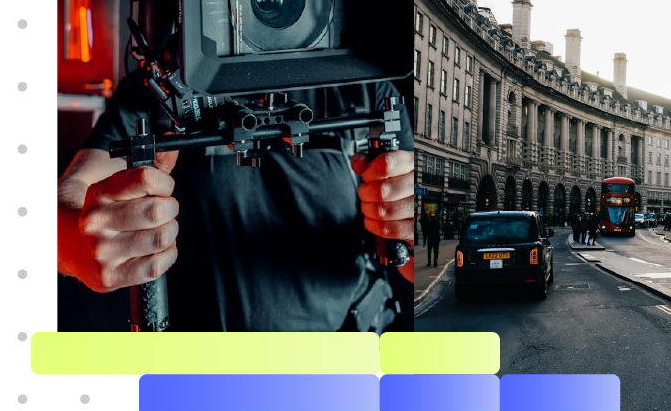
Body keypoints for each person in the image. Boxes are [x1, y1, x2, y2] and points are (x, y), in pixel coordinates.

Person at [56, 75, 414, 332]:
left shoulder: (366, 85)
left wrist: (409, 223)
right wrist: (79, 243)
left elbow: (410, 267)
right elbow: (70, 195)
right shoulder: (167, 81)